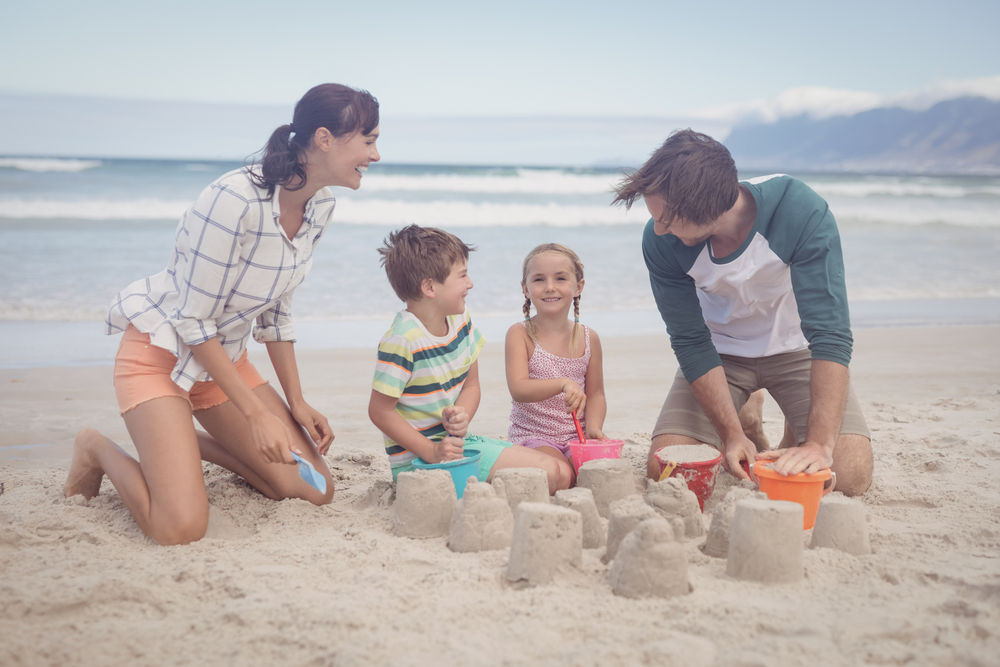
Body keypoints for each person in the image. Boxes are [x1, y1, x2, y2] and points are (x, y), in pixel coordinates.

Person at [64, 83, 381, 544]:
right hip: (160, 359)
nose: (375, 155)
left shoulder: (321, 206)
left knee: (313, 489)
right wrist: (256, 416)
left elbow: (276, 314)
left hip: (223, 366)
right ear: (324, 139)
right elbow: (192, 322)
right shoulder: (234, 198)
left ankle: (179, 445)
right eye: (368, 141)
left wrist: (295, 401)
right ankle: (94, 447)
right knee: (179, 528)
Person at [613, 129, 873, 496]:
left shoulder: (798, 209)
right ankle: (745, 415)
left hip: (797, 348)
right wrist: (731, 434)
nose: (658, 229)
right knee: (667, 469)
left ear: (706, 207)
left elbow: (830, 333)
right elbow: (690, 340)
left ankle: (794, 430)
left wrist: (818, 444)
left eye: (667, 219)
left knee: (847, 474)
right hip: (719, 356)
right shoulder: (662, 242)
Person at [367, 225, 573, 493]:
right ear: (429, 287)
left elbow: (471, 385)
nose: (470, 283)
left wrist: (461, 414)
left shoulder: (460, 321)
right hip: (419, 462)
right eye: (462, 275)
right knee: (552, 474)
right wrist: (431, 451)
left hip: (459, 444)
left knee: (562, 471)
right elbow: (379, 411)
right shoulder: (403, 339)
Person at [505, 243, 605, 483]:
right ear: (525, 289)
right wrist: (563, 383)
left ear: (578, 286)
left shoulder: (589, 338)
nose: (550, 287)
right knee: (562, 474)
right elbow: (518, 389)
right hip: (533, 436)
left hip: (576, 437)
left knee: (593, 474)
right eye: (539, 279)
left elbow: (596, 394)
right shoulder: (520, 334)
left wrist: (593, 428)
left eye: (560, 278)